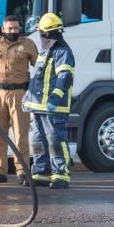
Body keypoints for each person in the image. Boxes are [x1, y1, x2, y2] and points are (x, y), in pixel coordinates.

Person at [0, 15, 38, 185]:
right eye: (10, 28)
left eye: (15, 28)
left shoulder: (27, 44)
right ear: (3, 29)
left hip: (19, 93)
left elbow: (39, 64)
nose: (13, 31)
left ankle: (22, 171)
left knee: (21, 134)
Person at [22, 12, 75, 189]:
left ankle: (61, 174)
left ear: (46, 33)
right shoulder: (45, 52)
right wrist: (27, 98)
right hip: (37, 107)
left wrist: (54, 98)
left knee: (55, 140)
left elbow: (65, 78)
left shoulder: (62, 52)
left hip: (54, 108)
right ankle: (40, 172)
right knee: (37, 140)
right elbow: (38, 78)